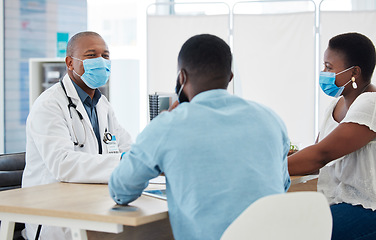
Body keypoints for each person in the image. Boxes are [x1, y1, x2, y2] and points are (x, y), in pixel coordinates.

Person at [108, 34, 291, 240]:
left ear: (182, 77)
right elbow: (282, 185)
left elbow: (121, 190)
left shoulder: (168, 125)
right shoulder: (270, 119)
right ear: (230, 77)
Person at [22, 31, 132, 239]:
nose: (100, 61)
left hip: (92, 205)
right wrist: (123, 163)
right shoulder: (49, 105)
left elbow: (127, 147)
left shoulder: (103, 105)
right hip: (53, 215)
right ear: (70, 63)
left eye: (105, 56)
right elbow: (62, 164)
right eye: (91, 56)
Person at [288, 32, 376, 240]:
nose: (323, 73)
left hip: (367, 207)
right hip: (337, 201)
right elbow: (319, 154)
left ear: (354, 72)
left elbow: (321, 155)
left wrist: (266, 167)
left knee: (300, 231)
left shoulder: (370, 103)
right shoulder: (335, 105)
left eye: (329, 67)